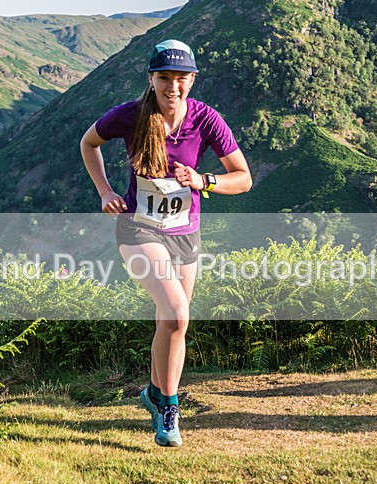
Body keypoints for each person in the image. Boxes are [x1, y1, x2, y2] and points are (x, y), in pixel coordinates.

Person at [80, 39, 252, 447]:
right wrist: (104, 192)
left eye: (180, 78)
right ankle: (171, 409)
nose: (172, 86)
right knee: (176, 313)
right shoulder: (131, 115)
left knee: (170, 322)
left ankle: (154, 396)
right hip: (138, 230)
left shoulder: (207, 119)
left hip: (185, 233)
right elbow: (89, 143)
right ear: (151, 79)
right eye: (164, 78)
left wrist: (204, 180)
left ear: (191, 80)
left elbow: (243, 178)